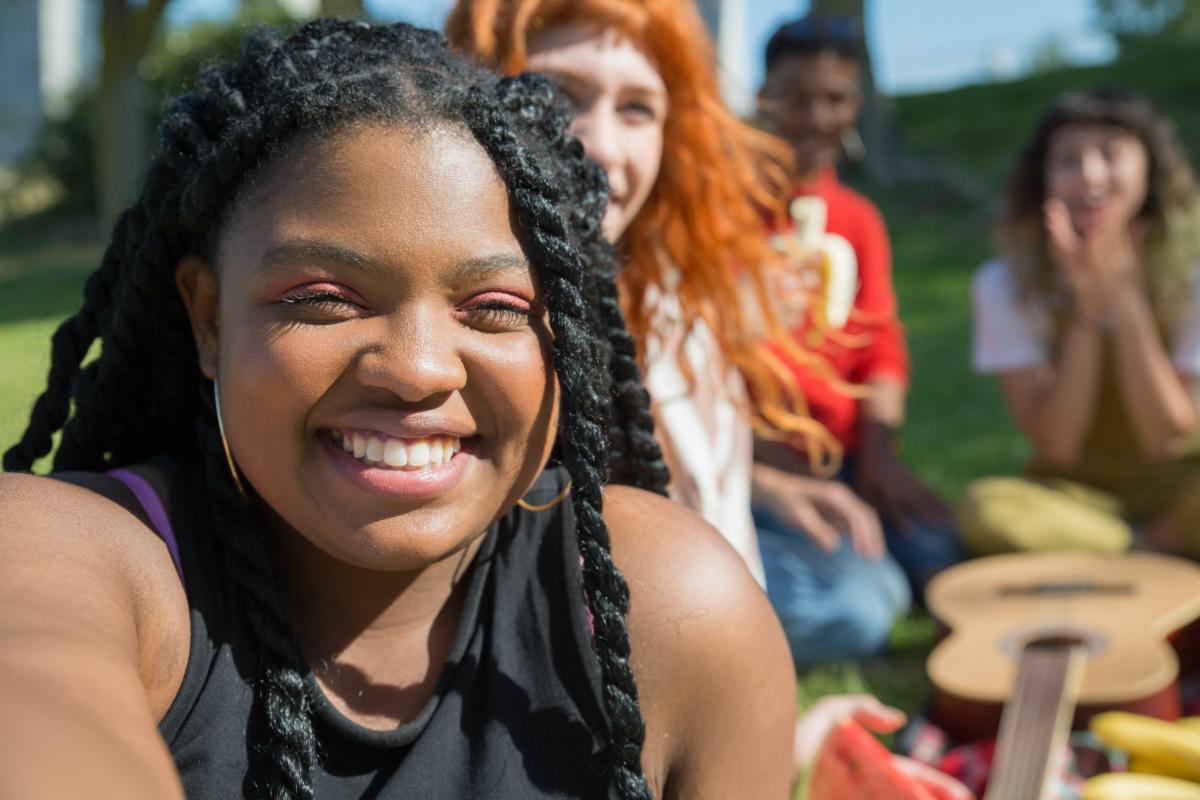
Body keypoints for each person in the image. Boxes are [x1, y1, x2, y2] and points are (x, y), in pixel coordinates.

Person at [0, 21, 797, 799]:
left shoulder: (673, 613)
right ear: (209, 317)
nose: (417, 370)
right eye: (323, 298)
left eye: (494, 306)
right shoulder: (72, 557)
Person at [449, 0, 917, 670]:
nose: (603, 143)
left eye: (638, 108)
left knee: (892, 577)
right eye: (555, 92)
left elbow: (880, 345)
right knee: (860, 604)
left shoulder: (671, 300)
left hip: (754, 555)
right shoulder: (449, 324)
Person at [753, 14, 964, 618]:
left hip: (846, 455)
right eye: (797, 96)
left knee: (941, 555)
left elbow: (881, 348)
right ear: (763, 95)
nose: (817, 116)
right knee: (869, 600)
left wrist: (880, 457)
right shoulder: (725, 212)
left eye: (836, 99)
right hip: (762, 462)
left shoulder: (857, 218)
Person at [959, 88, 1200, 557]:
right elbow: (1059, 446)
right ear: (1044, 179)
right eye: (1069, 160)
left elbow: (1167, 438)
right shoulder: (1004, 283)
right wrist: (1087, 315)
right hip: (1075, 501)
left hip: (1185, 488)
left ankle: (1132, 550)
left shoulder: (1193, 275)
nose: (1090, 174)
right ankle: (1141, 549)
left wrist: (1126, 303)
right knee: (984, 509)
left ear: (1150, 170)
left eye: (1110, 154)